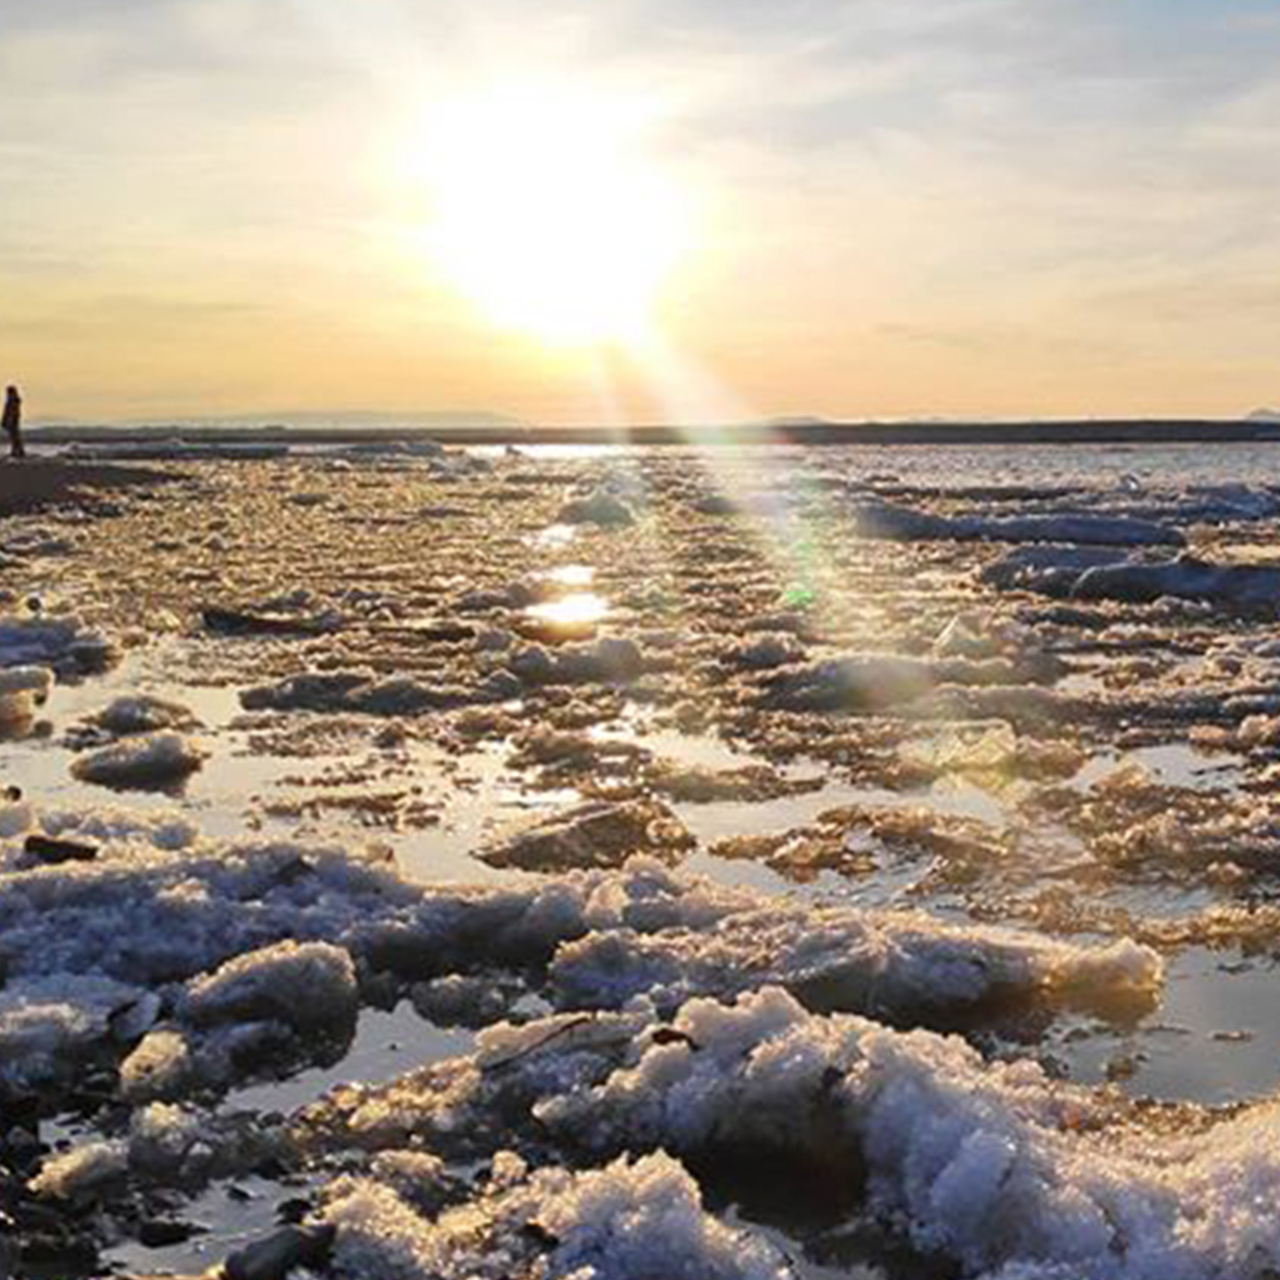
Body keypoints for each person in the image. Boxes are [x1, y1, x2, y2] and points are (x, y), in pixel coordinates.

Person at [2, 386, 25, 459]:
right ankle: (17, 450)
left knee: (15, 436)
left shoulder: (13, 401)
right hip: (11, 420)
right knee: (14, 436)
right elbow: (7, 412)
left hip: (12, 420)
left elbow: (12, 412)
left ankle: (18, 451)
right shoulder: (12, 401)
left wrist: (9, 419)